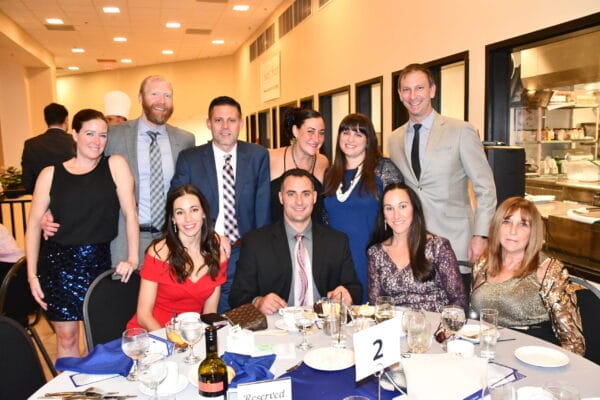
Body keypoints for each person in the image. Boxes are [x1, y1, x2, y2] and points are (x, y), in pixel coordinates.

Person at [42, 76, 195, 268]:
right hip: (126, 239)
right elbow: (81, 171)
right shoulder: (114, 135)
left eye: (167, 95)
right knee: (125, 296)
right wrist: (50, 207)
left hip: (172, 238)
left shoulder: (185, 140)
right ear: (140, 98)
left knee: (170, 296)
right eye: (154, 94)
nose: (161, 101)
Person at [25, 109, 138, 358]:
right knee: (66, 338)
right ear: (74, 134)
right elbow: (33, 225)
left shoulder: (115, 165)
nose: (96, 141)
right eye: (89, 133)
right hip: (57, 266)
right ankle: (71, 396)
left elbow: (130, 214)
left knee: (97, 340)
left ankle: (98, 394)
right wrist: (32, 275)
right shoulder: (50, 174)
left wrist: (132, 258)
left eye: (102, 135)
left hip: (97, 265)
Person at [388, 63, 496, 265]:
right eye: (407, 90)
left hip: (456, 243)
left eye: (419, 88)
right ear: (400, 95)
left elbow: (486, 187)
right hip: (412, 245)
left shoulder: (461, 131)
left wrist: (481, 235)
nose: (413, 96)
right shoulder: (394, 140)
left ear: (432, 90)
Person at [170, 95, 270, 313]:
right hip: (205, 250)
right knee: (211, 315)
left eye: (231, 120)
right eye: (218, 120)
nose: (225, 127)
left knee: (246, 313)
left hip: (245, 250)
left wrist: (261, 250)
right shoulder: (190, 159)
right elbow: (175, 204)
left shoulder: (257, 156)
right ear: (209, 123)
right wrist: (210, 236)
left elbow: (262, 207)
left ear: (241, 123)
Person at [230, 168, 362, 315]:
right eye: (291, 194)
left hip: (323, 330)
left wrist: (346, 294)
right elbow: (237, 296)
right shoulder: (255, 242)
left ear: (314, 197)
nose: (299, 201)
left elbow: (355, 288)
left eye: (305, 194)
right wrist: (257, 302)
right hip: (275, 331)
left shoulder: (337, 241)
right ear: (281, 197)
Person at [470, 197, 585, 355]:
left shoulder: (548, 270)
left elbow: (573, 342)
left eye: (523, 224)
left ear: (533, 232)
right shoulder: (483, 263)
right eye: (507, 222)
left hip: (533, 355)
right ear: (497, 226)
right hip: (487, 351)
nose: (513, 231)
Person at [323, 113, 403, 301]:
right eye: (346, 132)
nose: (350, 139)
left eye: (358, 134)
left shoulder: (383, 169)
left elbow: (404, 214)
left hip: (371, 259)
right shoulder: (330, 174)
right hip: (336, 262)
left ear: (368, 140)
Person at [127, 184, 227, 330]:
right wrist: (172, 344)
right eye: (180, 212)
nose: (188, 218)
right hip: (153, 334)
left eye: (194, 210)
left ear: (203, 213)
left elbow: (209, 313)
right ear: (173, 218)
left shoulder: (217, 253)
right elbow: (143, 316)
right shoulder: (158, 253)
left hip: (191, 336)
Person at [367, 182, 467, 312]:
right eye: (389, 208)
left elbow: (459, 300)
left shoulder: (437, 246)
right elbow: (376, 305)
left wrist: (441, 330)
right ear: (383, 215)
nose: (396, 215)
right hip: (394, 328)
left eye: (402, 206)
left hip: (435, 327)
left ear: (414, 208)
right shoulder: (376, 253)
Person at [269, 107, 329, 222]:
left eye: (321, 133)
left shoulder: (323, 162)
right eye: (310, 131)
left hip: (312, 235)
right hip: (274, 235)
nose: (316, 139)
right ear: (295, 131)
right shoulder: (271, 158)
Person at [21, 103, 75, 194]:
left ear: (46, 120)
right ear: (66, 119)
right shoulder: (75, 141)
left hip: (43, 200)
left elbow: (27, 181)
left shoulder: (31, 144)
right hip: (73, 197)